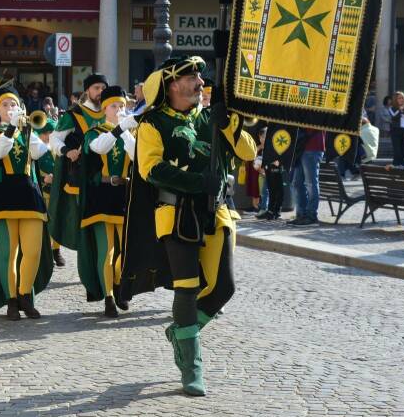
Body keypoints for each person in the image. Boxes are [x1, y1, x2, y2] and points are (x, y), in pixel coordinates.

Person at [120, 56, 256, 396]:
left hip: (217, 211)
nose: (199, 81)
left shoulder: (213, 116)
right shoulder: (153, 123)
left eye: (200, 75)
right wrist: (197, 182)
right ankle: (192, 368)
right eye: (192, 76)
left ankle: (182, 331)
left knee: (224, 288)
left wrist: (230, 125)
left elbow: (249, 153)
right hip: (176, 212)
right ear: (172, 85)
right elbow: (150, 168)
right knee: (188, 286)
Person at [0, 87, 54, 320]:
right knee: (8, 253)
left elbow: (42, 155)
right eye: (5, 106)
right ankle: (11, 299)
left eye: (14, 105)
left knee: (33, 251)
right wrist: (11, 128)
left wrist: (34, 131)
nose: (10, 109)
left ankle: (24, 296)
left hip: (30, 196)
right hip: (2, 197)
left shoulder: (27, 132)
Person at [78, 86, 136, 318]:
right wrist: (119, 128)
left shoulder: (130, 133)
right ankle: (109, 297)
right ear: (104, 109)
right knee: (108, 251)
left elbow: (136, 155)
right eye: (114, 106)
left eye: (122, 106)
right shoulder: (94, 132)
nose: (119, 109)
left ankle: (121, 286)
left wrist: (127, 132)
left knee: (126, 250)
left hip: (123, 195)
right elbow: (100, 147)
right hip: (102, 195)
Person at [47, 73, 108, 267]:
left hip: (103, 176)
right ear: (88, 90)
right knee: (68, 212)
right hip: (77, 172)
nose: (100, 92)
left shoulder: (112, 112)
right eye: (96, 88)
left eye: (103, 88)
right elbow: (54, 139)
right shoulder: (75, 114)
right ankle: (55, 246)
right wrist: (67, 151)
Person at [287, 128, 325, 226]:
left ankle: (311, 216)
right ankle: (301, 215)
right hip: (301, 147)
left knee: (310, 183)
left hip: (313, 146)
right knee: (296, 183)